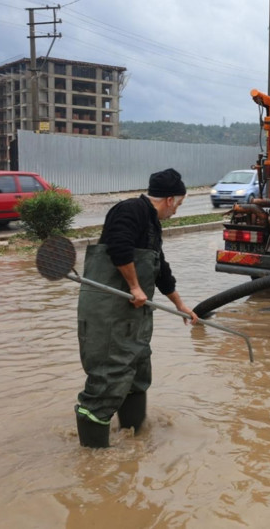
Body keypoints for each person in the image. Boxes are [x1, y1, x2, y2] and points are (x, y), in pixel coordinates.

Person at [74, 168, 199, 448]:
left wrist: (180, 305)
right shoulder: (129, 210)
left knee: (137, 373)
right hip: (110, 314)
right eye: (178, 205)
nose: (176, 212)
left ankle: (134, 438)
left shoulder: (153, 225)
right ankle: (93, 459)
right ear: (169, 199)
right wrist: (134, 287)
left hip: (135, 317)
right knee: (108, 377)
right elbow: (119, 247)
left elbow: (160, 269)